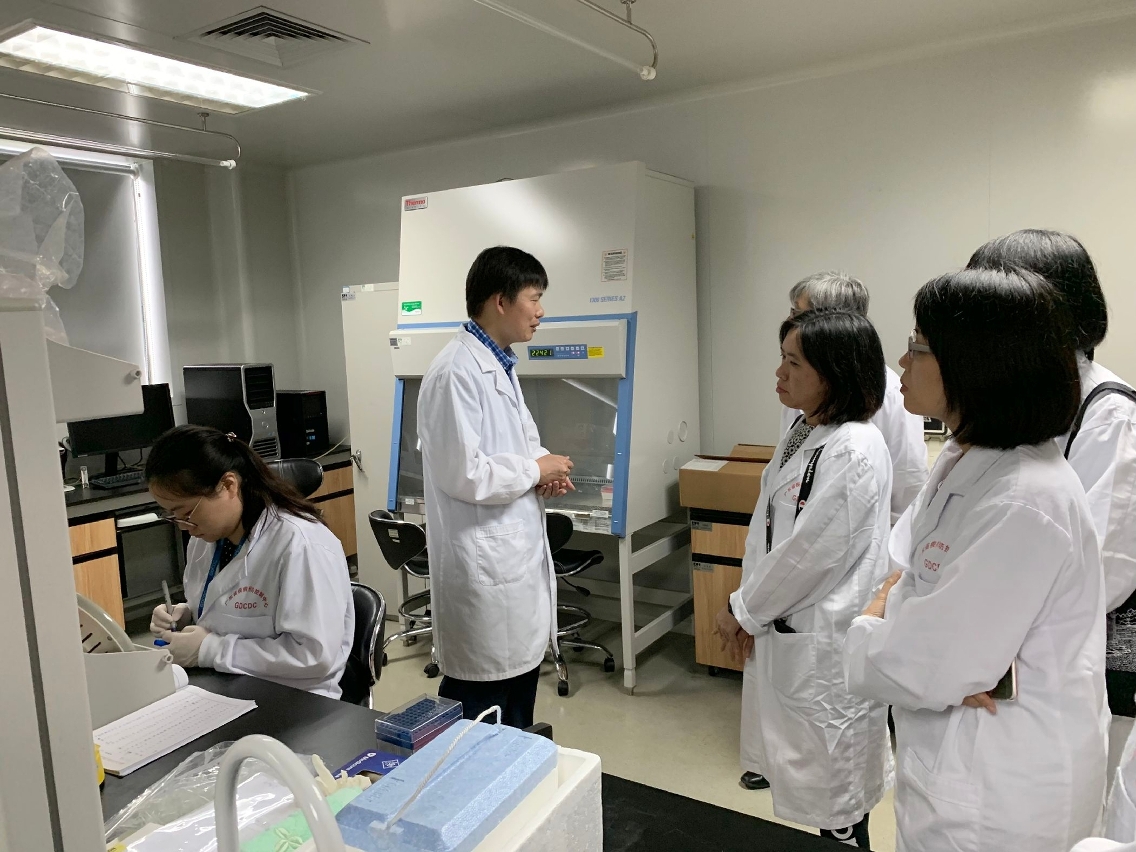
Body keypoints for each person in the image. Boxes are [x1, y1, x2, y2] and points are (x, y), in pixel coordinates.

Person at [844, 267, 1107, 852]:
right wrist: (913, 625)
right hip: (948, 764)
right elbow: (901, 569)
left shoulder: (1025, 498)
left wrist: (872, 628)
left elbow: (927, 663)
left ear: (979, 364)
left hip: (1001, 793)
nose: (902, 364)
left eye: (918, 348)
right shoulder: (965, 456)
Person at [714, 309, 894, 848]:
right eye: (782, 359)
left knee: (838, 801)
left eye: (794, 363)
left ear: (835, 374)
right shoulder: (805, 429)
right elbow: (772, 533)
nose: (779, 373)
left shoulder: (854, 450)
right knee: (815, 784)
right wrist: (750, 606)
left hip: (827, 645)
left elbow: (810, 555)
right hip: (790, 628)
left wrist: (743, 610)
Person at [968, 231, 1136, 738]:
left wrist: (976, 634)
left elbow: (1099, 572)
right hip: (996, 655)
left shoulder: (1110, 416)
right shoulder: (1009, 409)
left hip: (1073, 674)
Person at [417, 245, 574, 729]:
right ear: (499, 301)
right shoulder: (455, 372)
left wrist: (543, 473)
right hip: (482, 577)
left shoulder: (498, 363)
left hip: (508, 569)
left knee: (515, 711)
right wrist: (533, 471)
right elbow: (464, 473)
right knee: (480, 719)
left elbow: (520, 445)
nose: (541, 311)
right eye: (534, 298)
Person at [146, 425, 354, 699]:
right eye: (173, 516)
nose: (184, 526)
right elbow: (224, 603)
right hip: (223, 685)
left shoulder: (302, 545)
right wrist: (186, 614)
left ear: (228, 485)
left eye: (186, 513)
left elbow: (314, 656)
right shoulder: (206, 538)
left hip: (295, 699)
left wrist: (209, 650)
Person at [781, 271, 927, 524]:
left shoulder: (890, 393)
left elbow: (907, 487)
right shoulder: (796, 385)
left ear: (832, 323)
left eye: (797, 313)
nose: (789, 321)